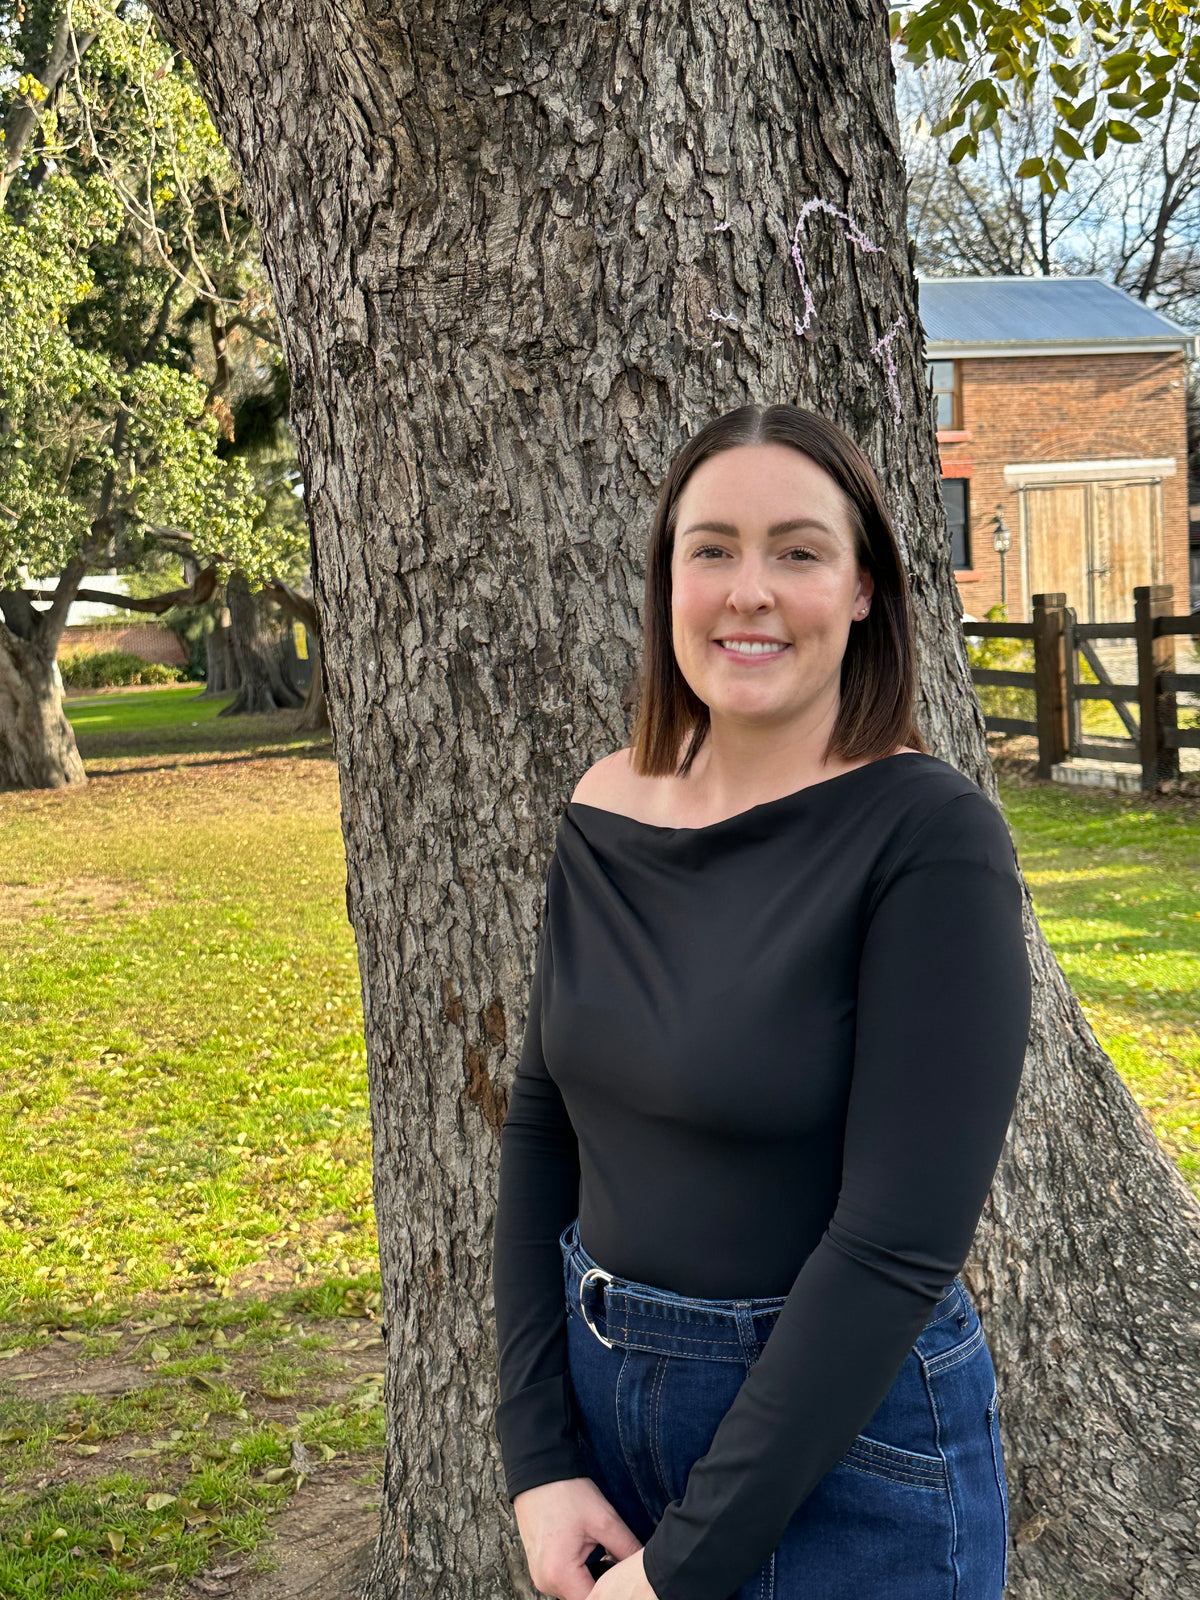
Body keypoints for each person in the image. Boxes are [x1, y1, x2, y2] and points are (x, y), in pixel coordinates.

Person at [491, 402, 1032, 1600]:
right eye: (712, 548)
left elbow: (898, 1245)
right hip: (603, 1419)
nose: (750, 590)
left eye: (798, 551)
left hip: (855, 1455)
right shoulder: (603, 807)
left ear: (864, 592)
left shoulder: (928, 839)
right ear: (665, 578)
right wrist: (536, 1459)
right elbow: (543, 1126)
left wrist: (683, 1569)